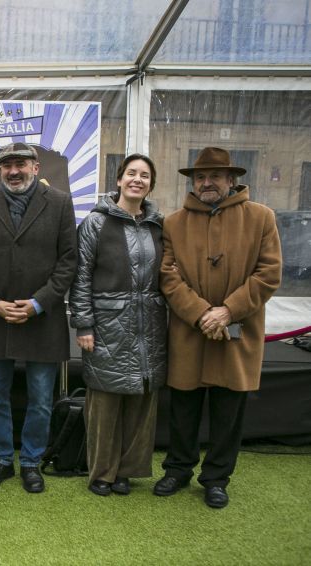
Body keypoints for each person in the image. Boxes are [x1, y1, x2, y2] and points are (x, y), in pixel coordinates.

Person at [155, 147, 282, 509]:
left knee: (228, 412)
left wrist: (227, 311)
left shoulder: (262, 217)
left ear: (231, 180)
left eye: (214, 176)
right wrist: (200, 313)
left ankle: (216, 478)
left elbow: (269, 273)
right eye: (199, 177)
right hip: (188, 331)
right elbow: (167, 275)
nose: (206, 182)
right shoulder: (173, 223)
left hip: (237, 332)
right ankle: (178, 470)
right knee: (183, 408)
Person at [0, 142, 77, 493]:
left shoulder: (60, 202)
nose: (13, 171)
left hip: (42, 318)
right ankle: (1, 460)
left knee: (40, 398)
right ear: (0, 170)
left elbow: (68, 261)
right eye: (7, 165)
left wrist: (39, 303)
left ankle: (31, 463)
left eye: (21, 164)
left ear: (36, 167)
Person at [69, 154, 166, 496]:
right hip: (107, 323)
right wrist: (83, 324)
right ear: (119, 180)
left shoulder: (158, 225)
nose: (137, 179)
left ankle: (127, 470)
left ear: (150, 184)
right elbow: (80, 276)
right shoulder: (97, 222)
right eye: (131, 173)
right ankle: (102, 473)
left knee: (141, 400)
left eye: (144, 175)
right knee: (105, 404)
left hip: (148, 325)